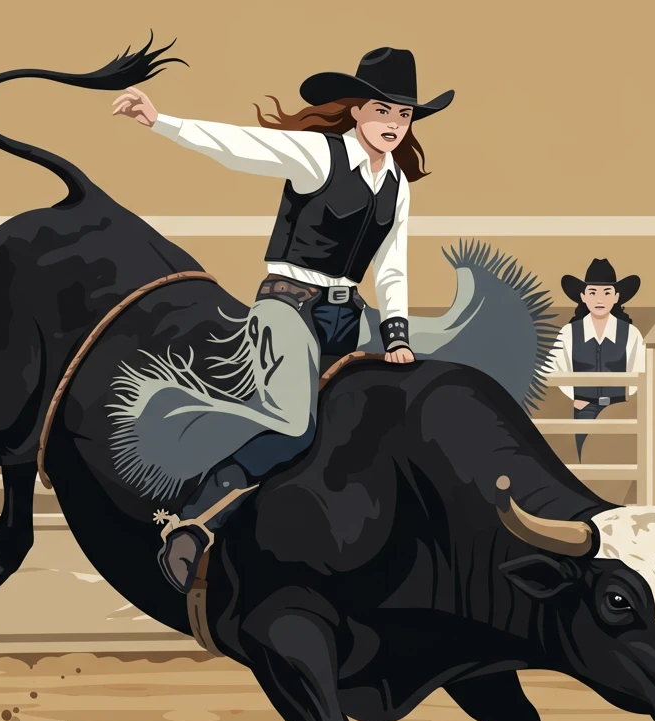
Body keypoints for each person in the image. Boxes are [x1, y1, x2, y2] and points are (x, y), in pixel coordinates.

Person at [111, 47, 454, 592]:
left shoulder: (397, 185)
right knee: (296, 425)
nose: (393, 124)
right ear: (358, 110)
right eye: (383, 111)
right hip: (288, 305)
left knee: (413, 398)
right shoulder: (319, 155)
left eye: (404, 115)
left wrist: (396, 335)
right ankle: (193, 524)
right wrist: (162, 122)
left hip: (349, 313)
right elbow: (242, 148)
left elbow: (392, 267)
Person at [546, 259, 645, 460]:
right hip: (584, 408)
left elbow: (641, 368)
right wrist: (576, 397)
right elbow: (554, 368)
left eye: (607, 293)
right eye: (593, 293)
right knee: (587, 462)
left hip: (619, 408)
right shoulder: (569, 332)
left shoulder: (630, 333)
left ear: (616, 297)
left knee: (617, 461)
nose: (600, 299)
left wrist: (624, 398)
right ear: (583, 296)